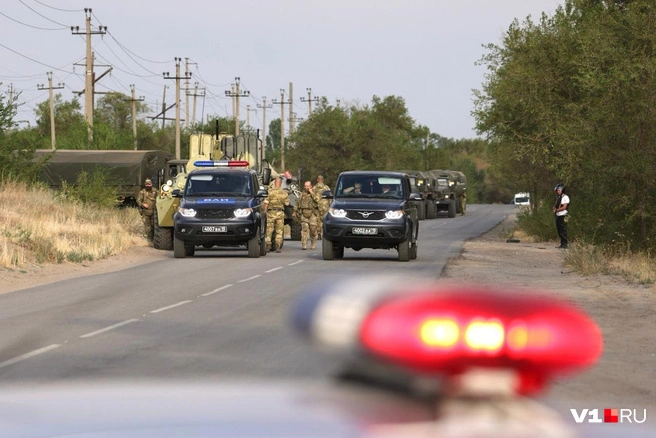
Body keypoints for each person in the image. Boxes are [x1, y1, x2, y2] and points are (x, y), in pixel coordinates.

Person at [265, 175, 291, 253]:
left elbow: (266, 202)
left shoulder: (269, 192)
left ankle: (268, 246)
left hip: (270, 213)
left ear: (275, 183)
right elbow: (287, 204)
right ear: (280, 184)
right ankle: (277, 247)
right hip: (280, 213)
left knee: (269, 230)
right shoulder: (284, 193)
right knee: (279, 230)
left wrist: (265, 212)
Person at [295, 181, 319, 250]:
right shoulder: (302, 194)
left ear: (311, 186)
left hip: (312, 214)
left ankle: (313, 242)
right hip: (304, 214)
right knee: (304, 229)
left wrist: (312, 193)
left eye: (307, 186)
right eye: (305, 186)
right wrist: (295, 211)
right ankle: (304, 244)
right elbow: (297, 203)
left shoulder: (314, 193)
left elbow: (318, 200)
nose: (306, 188)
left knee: (313, 230)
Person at [312, 175, 330, 239]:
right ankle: (325, 233)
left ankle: (319, 233)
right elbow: (330, 197)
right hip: (325, 206)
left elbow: (312, 197)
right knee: (325, 220)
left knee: (318, 221)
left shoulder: (314, 188)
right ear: (323, 180)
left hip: (317, 206)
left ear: (317, 180)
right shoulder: (326, 188)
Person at [552, 183, 569, 249]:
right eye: (557, 191)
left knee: (563, 230)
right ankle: (562, 244)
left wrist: (557, 210)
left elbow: (564, 207)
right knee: (559, 230)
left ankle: (565, 244)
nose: (558, 192)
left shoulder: (565, 197)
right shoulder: (559, 197)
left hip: (563, 215)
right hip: (558, 215)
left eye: (559, 190)